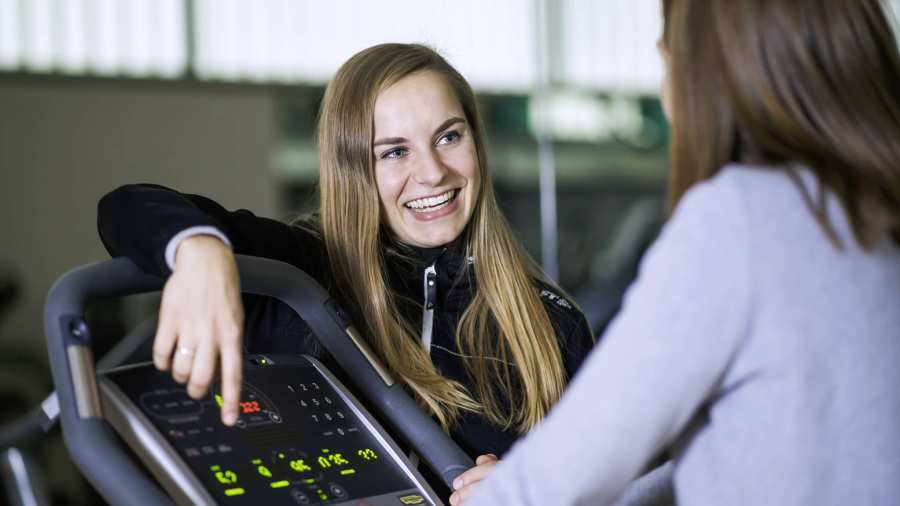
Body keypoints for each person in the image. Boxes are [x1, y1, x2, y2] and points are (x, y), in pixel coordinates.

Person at [97, 43, 594, 499]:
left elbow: (606, 480)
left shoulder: (550, 325)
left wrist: (535, 486)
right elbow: (127, 206)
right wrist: (199, 252)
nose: (432, 173)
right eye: (394, 151)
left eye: (448, 137)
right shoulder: (301, 271)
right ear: (353, 167)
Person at [464, 0, 900, 504]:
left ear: (704, 73)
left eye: (667, 54)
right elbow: (763, 444)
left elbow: (565, 473)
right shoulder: (870, 211)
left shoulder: (742, 220)